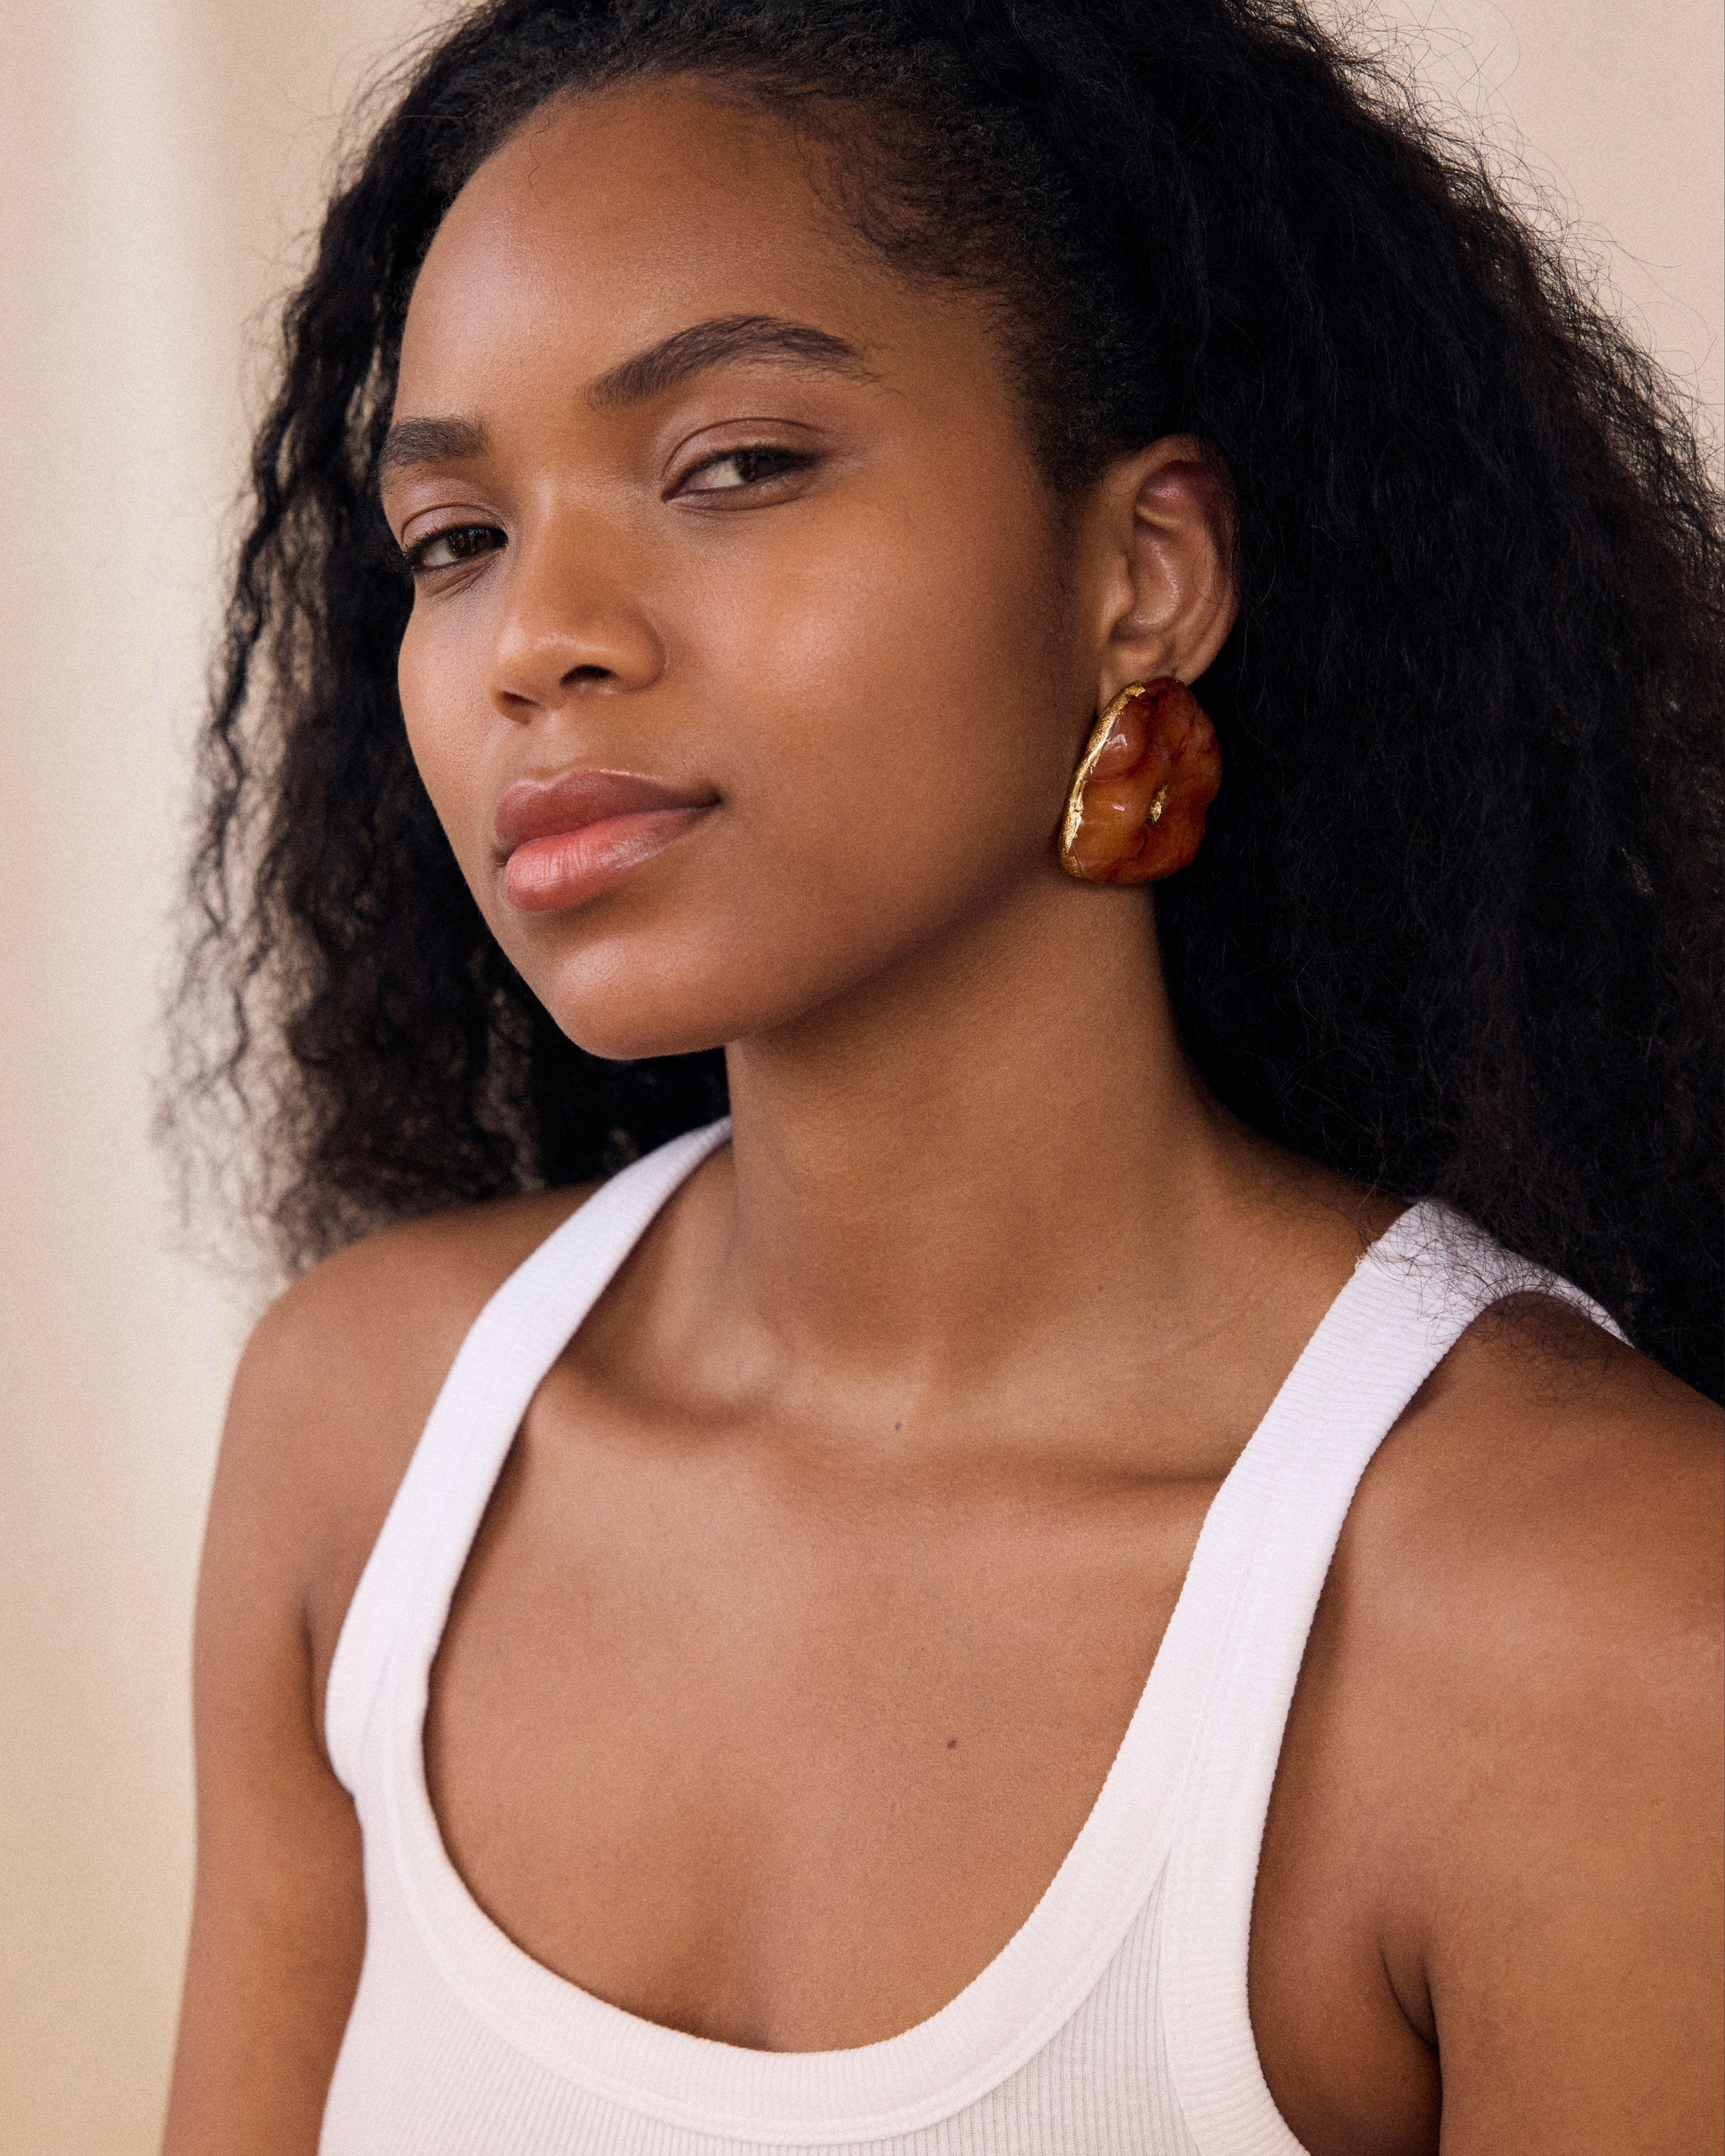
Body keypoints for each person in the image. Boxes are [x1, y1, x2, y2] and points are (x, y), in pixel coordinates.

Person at [159, 2, 1724, 2150]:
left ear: (1141, 576)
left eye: (735, 465)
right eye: (455, 539)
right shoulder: (364, 1439)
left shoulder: (1590, 1623)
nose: (540, 636)